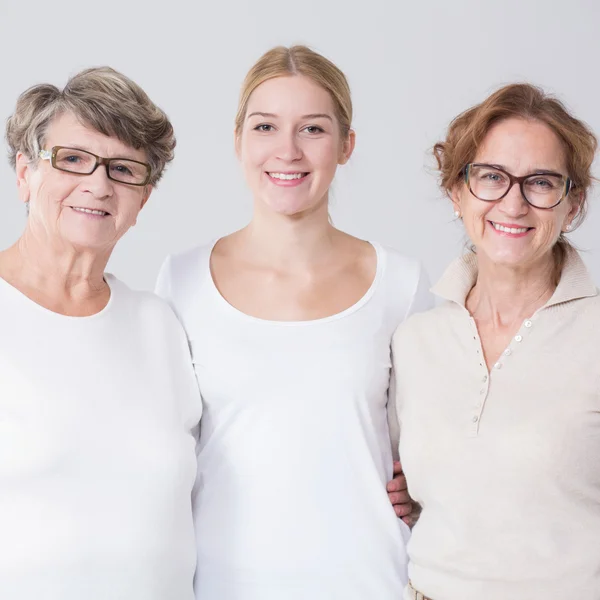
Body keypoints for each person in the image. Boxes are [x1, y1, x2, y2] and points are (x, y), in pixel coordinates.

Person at [156, 45, 430, 600]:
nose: (287, 150)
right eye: (265, 126)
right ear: (238, 141)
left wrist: (427, 490)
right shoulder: (182, 280)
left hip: (369, 582)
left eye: (312, 129)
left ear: (346, 145)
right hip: (225, 585)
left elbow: (436, 440)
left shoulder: (400, 283)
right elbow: (161, 448)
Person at [0, 67, 201, 600]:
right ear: (24, 172)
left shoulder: (162, 326)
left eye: (123, 169)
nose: (98, 184)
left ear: (143, 200)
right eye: (71, 159)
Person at [393, 83, 600, 600]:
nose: (513, 203)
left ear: (572, 202)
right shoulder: (416, 340)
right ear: (456, 190)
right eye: (492, 177)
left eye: (542, 182)